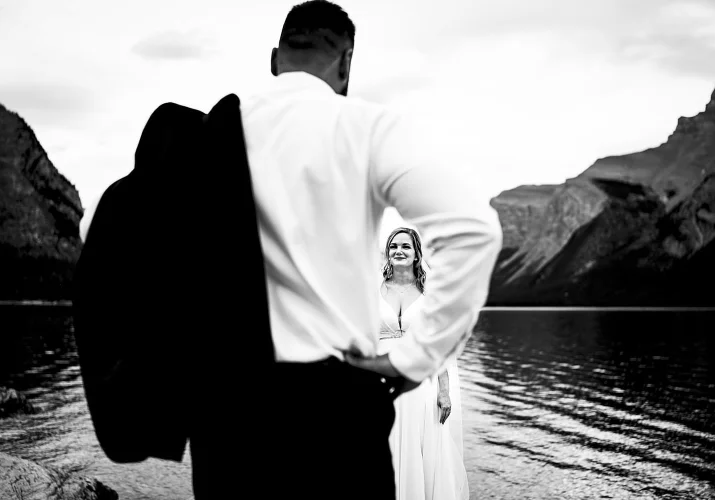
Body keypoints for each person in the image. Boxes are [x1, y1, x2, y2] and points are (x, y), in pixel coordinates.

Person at [76, 1, 503, 499]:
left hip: (229, 414)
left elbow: (126, 252)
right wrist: (418, 359)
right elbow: (472, 231)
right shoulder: (366, 127)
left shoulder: (208, 137)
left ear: (275, 58)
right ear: (346, 64)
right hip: (339, 413)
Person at [379, 227, 469, 500]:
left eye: (406, 246)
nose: (399, 251)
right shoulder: (373, 289)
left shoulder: (429, 294)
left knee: (422, 447)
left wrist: (444, 391)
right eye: (394, 246)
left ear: (417, 254)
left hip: (421, 382)